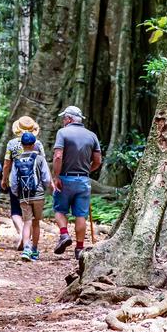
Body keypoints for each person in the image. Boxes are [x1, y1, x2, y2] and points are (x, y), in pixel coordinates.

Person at [51, 106, 101, 260]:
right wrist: (86, 171)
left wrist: (56, 176)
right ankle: (79, 249)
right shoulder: (92, 135)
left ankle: (64, 234)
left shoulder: (63, 133)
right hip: (83, 180)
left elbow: (58, 156)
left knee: (60, 210)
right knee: (81, 215)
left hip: (65, 178)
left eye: (64, 118)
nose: (63, 121)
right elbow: (98, 161)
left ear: (69, 119)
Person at [0, 115, 44, 250]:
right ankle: (27, 239)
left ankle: (21, 233)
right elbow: (42, 163)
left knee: (15, 210)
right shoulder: (38, 144)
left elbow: (7, 163)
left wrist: (4, 178)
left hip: (17, 181)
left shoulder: (12, 144)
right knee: (32, 215)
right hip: (34, 184)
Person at [8, 131, 53, 262]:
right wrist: (44, 188)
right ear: (34, 144)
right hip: (38, 195)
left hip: (24, 196)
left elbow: (14, 182)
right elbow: (46, 178)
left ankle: (26, 248)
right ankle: (34, 250)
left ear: (22, 144)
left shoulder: (17, 160)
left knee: (27, 222)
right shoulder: (40, 159)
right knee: (36, 223)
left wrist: (17, 193)